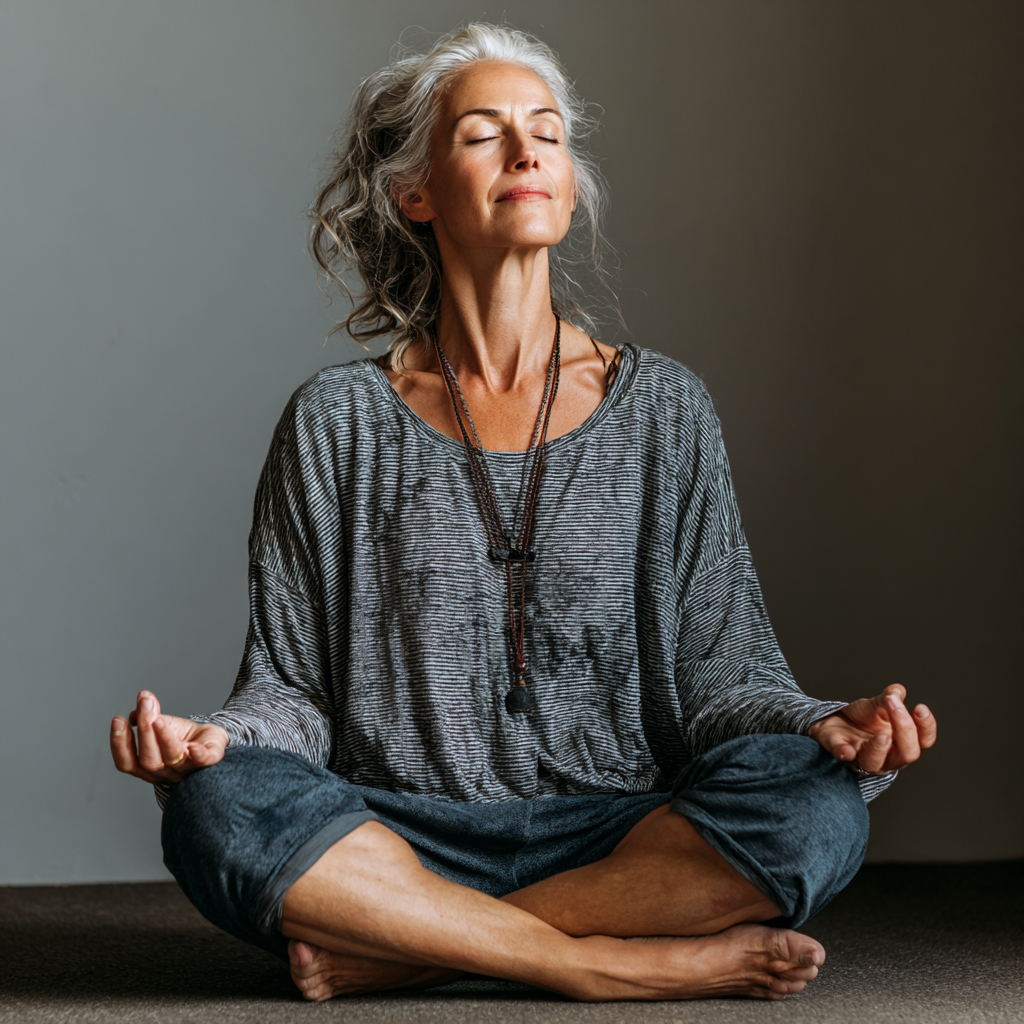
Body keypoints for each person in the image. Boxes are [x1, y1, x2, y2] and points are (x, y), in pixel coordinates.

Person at [109, 24, 937, 1003]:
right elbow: (291, 690)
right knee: (216, 811)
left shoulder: (664, 408)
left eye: (545, 130)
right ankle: (593, 960)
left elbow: (722, 677)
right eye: (482, 133)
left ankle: (411, 946)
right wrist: (216, 744)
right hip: (390, 827)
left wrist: (820, 724)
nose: (527, 149)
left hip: (625, 827)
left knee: (815, 810)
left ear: (570, 185)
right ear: (414, 192)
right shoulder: (337, 420)